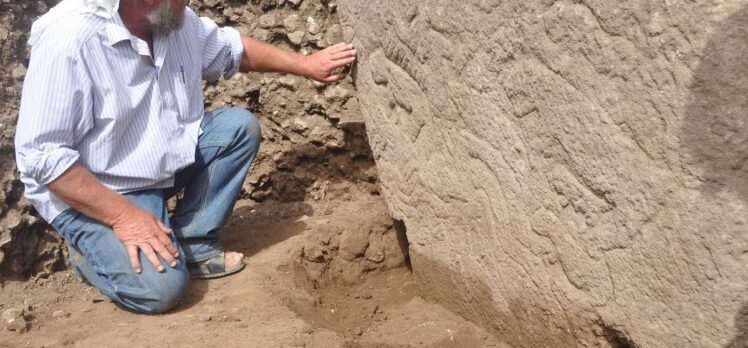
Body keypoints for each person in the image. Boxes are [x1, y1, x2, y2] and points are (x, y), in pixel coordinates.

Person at [14, 0, 357, 314]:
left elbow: (232, 49)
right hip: (98, 189)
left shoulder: (173, 21)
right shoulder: (71, 40)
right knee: (159, 290)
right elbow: (42, 156)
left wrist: (306, 64)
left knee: (236, 128)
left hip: (157, 163)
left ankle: (192, 242)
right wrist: (125, 218)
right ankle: (91, 252)